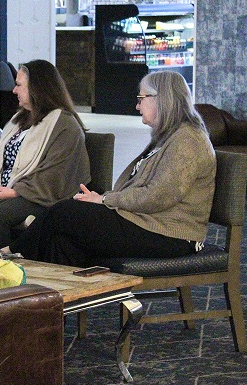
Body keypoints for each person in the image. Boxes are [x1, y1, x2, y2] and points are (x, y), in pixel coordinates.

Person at [15, 71, 216, 267]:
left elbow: (158, 196)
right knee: (62, 241)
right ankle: (64, 298)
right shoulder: (169, 137)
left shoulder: (188, 140)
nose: (137, 106)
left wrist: (104, 200)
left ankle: (12, 252)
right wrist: (101, 201)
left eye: (141, 98)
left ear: (161, 99)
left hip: (172, 235)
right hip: (149, 223)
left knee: (64, 212)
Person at [0, 59, 90, 247]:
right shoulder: (20, 118)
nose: (14, 91)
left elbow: (53, 176)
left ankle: (0, 266)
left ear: (37, 89)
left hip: (38, 195)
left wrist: (14, 193)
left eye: (18, 85)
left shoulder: (65, 126)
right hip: (5, 188)